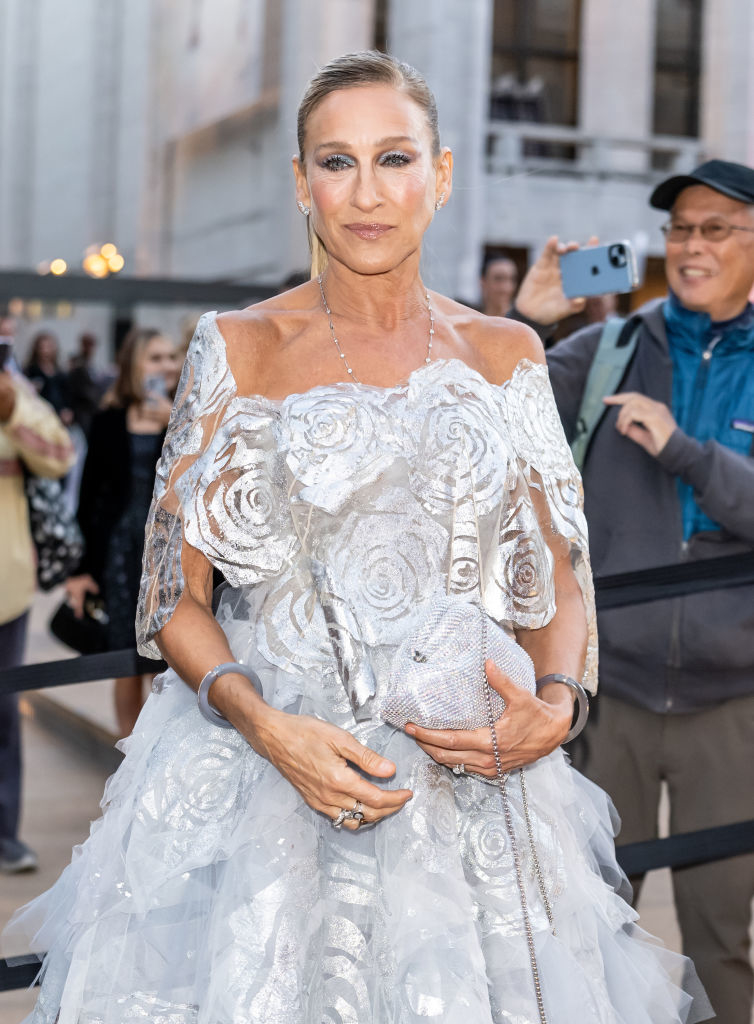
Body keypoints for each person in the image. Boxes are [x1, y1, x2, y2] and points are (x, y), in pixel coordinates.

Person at [7, 52, 710, 1023]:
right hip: (267, 780)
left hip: (473, 791)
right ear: (301, 181)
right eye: (337, 162)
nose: (368, 193)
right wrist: (263, 725)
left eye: (395, 157)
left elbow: (558, 562)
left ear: (443, 173)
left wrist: (556, 700)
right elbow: (172, 595)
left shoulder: (504, 350)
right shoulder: (238, 345)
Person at [510, 158, 754, 1024]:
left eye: (716, 228)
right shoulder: (610, 346)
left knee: (722, 936)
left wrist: (685, 450)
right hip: (609, 690)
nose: (690, 246)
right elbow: (482, 430)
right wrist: (520, 325)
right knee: (589, 929)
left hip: (733, 699)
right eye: (680, 228)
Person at [65, 328, 177, 737]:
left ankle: (158, 755)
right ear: (134, 365)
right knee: (124, 661)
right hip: (119, 552)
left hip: (170, 551)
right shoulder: (109, 419)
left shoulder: (188, 414)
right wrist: (81, 569)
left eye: (170, 357)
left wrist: (174, 423)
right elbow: (89, 499)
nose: (166, 365)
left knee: (170, 658)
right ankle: (127, 755)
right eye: (155, 358)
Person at [0, 313, 75, 873]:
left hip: (6, 583)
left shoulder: (13, 391)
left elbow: (57, 455)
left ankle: (4, 833)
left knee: (3, 713)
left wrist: (12, 408)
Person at [23, 331, 71, 422]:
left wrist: (67, 410)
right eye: (42, 347)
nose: (45, 351)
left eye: (48, 347)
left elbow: (68, 395)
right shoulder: (31, 370)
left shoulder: (60, 372)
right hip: (40, 416)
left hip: (60, 417)